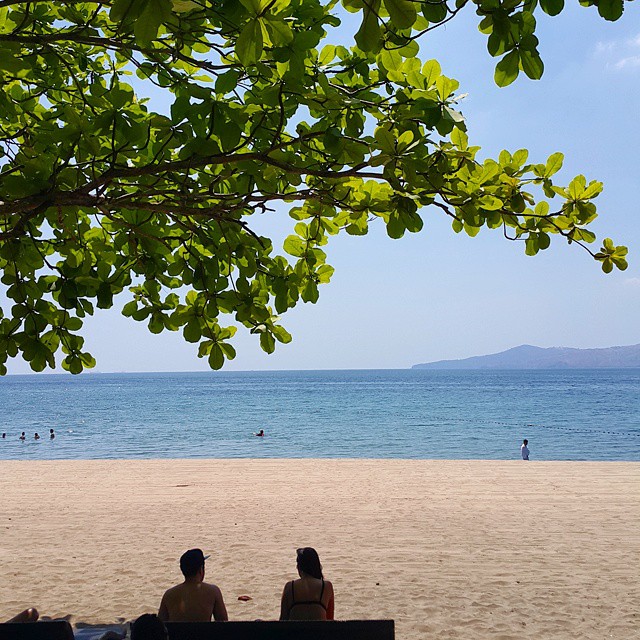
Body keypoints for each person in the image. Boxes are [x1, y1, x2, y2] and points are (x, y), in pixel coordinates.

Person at [158, 548, 228, 622]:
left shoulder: (169, 594)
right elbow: (223, 623)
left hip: (177, 633)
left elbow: (160, 624)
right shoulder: (213, 591)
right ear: (201, 570)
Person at [280, 547, 334, 621]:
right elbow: (330, 621)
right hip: (319, 632)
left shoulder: (290, 587)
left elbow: (282, 621)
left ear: (299, 567)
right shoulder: (326, 587)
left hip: (295, 632)